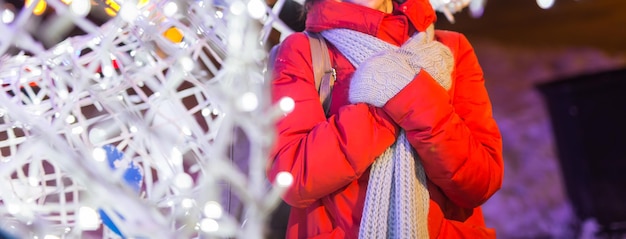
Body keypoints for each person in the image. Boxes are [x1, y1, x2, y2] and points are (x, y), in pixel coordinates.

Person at [267, 0, 504, 238]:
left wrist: (404, 94)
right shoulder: (302, 51)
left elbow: (481, 182)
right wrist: (390, 100)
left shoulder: (449, 49)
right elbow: (292, 175)